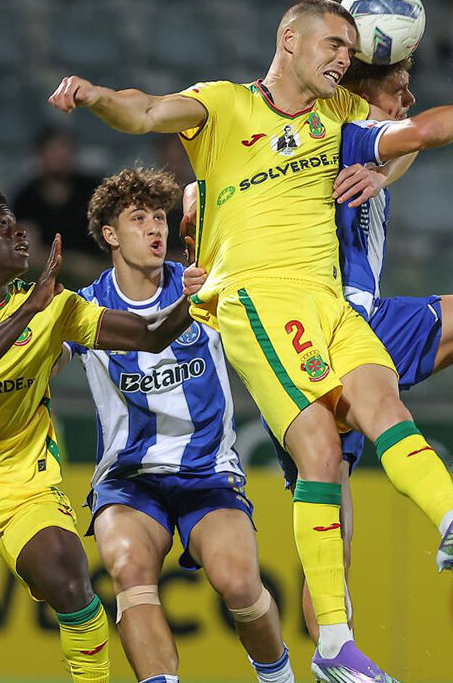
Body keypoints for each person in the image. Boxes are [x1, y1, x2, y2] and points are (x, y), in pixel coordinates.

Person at [48, 0, 453, 682]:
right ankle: (331, 645)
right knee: (320, 445)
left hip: (332, 302)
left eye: (350, 52)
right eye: (333, 46)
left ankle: (450, 527)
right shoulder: (226, 106)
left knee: (382, 404)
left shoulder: (342, 117)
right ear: (288, 40)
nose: (343, 60)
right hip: (259, 299)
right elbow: (145, 111)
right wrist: (94, 97)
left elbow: (421, 132)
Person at [268, 54, 453, 643]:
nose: (407, 101)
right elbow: (426, 131)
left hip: (294, 341)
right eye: (399, 90)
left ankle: (337, 657)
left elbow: (400, 150)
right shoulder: (347, 130)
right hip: (349, 320)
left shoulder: (306, 143)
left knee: (331, 540)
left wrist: (385, 172)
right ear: (360, 92)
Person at [0, 187, 199, 683]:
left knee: (73, 588)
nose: (20, 233)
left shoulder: (57, 308)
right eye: (3, 226)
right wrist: (28, 310)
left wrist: (192, 299)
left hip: (28, 487)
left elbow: (151, 336)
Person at [58, 167, 294, 683]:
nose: (154, 228)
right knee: (128, 572)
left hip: (208, 473)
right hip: (128, 481)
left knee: (238, 585)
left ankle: (277, 675)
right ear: (110, 235)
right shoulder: (83, 309)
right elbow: (42, 363)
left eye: (160, 217)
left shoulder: (209, 289)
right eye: (137, 218)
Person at [12, 127, 106, 288]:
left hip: (98, 270)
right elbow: (30, 253)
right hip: (49, 276)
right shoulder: (26, 198)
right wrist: (74, 264)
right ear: (40, 156)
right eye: (52, 149)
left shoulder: (94, 190)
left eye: (64, 149)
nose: (59, 156)